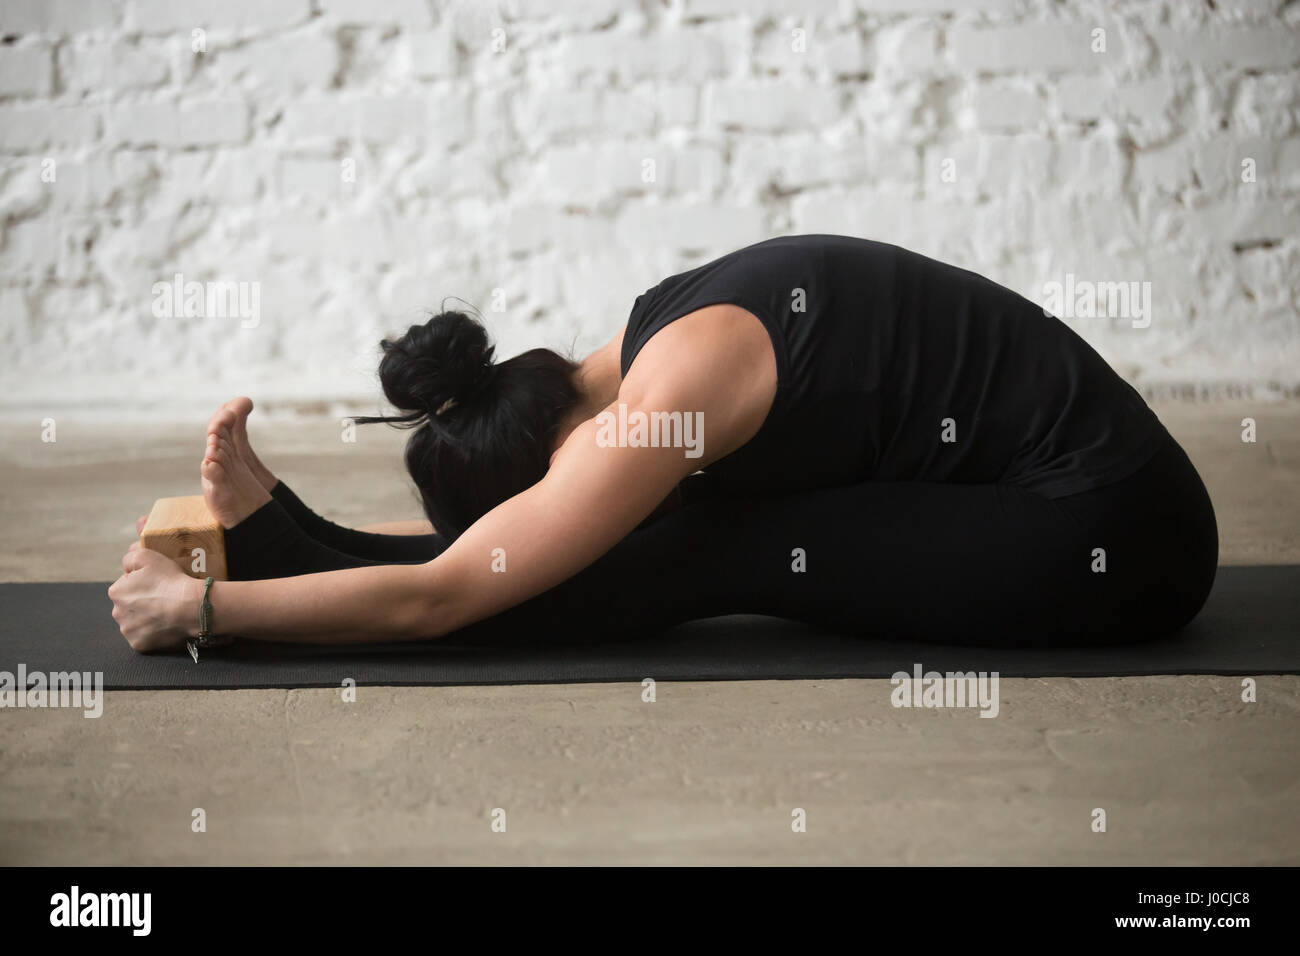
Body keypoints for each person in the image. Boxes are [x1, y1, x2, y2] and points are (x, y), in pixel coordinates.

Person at [108, 235, 1219, 652]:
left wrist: (210, 610)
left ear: (551, 453)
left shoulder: (663, 402)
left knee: (706, 547)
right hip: (1062, 492)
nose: (573, 503)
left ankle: (288, 559)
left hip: (1113, 535)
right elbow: (496, 543)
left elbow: (444, 593)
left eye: (545, 498)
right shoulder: (638, 342)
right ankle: (304, 539)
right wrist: (309, 525)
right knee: (687, 529)